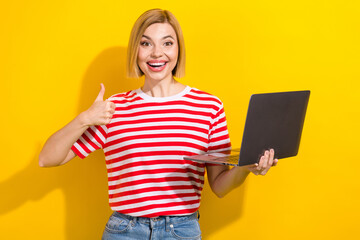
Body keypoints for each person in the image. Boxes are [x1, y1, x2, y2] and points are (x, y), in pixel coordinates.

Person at [39, 8, 278, 240]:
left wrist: (246, 168)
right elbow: (47, 158)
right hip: (124, 231)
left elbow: (219, 186)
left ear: (178, 49)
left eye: (167, 43)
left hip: (182, 231)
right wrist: (85, 119)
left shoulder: (208, 106)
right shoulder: (114, 107)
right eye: (146, 43)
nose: (156, 53)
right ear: (136, 51)